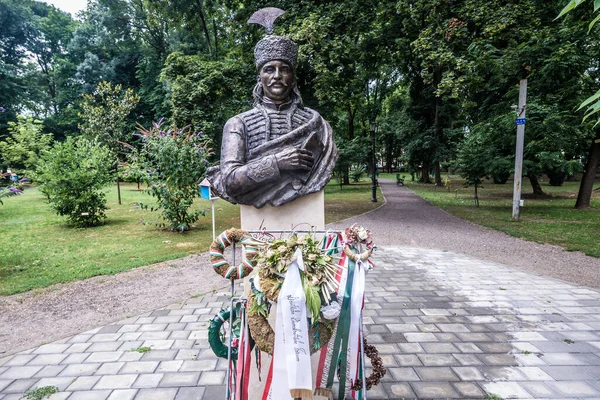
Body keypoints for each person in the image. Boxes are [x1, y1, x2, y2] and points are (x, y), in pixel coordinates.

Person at [206, 9, 337, 208]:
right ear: (260, 78)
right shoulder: (237, 123)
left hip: (305, 207)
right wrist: (277, 163)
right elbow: (230, 182)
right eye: (269, 69)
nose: (277, 75)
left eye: (284, 69)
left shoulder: (317, 124)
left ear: (292, 78)